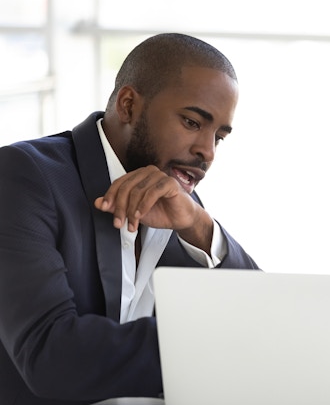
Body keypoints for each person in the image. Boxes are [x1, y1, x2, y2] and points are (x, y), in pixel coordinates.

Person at [0, 33, 260, 404]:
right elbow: (50, 357)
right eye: (191, 122)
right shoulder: (25, 177)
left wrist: (200, 227)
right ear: (128, 105)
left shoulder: (178, 202)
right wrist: (213, 342)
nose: (207, 151)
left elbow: (263, 313)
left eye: (219, 136)